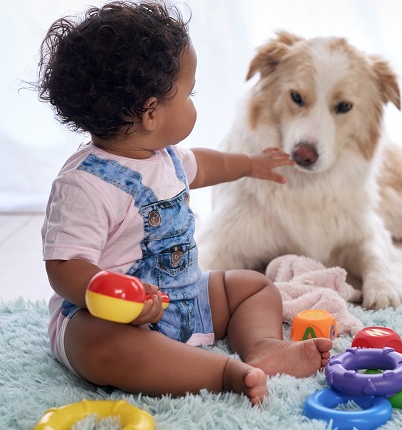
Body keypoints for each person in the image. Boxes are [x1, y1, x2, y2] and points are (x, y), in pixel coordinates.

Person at [37, 0, 332, 406]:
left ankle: (263, 346)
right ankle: (222, 373)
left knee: (252, 286)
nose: (195, 101)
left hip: (185, 296)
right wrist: (119, 296)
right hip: (112, 319)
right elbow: (64, 266)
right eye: (190, 93)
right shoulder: (85, 184)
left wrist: (250, 163)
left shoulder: (164, 156)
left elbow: (207, 166)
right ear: (151, 113)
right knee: (105, 347)